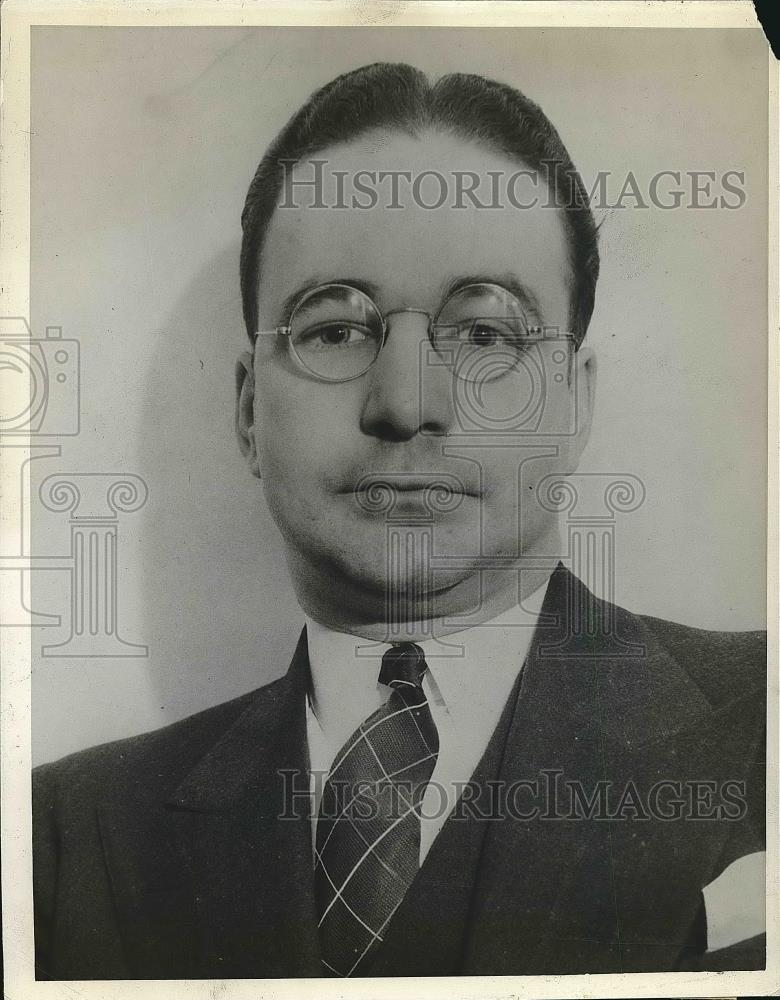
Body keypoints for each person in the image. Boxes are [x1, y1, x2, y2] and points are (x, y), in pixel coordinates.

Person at [32, 62, 766, 980]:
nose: (407, 401)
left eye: (486, 334)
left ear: (574, 405)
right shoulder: (64, 842)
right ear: (251, 410)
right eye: (335, 328)